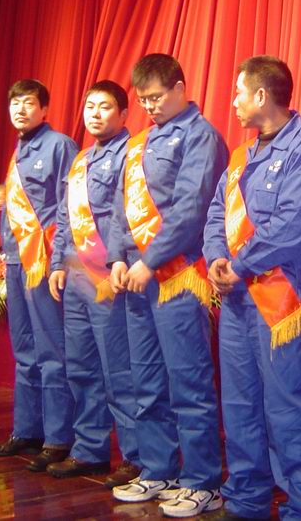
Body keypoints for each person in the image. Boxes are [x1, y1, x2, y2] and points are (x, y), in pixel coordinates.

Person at [203, 56, 301, 520]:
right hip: (236, 298)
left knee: (287, 405)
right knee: (239, 403)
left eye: (238, 92)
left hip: (278, 299)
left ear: (260, 95)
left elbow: (292, 226)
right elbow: (216, 212)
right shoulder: (242, 155)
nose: (232, 101)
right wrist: (217, 257)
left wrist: (238, 264)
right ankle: (246, 498)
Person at [108, 53, 228, 518]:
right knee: (147, 380)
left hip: (179, 277)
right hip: (138, 279)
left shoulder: (201, 136)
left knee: (189, 381)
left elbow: (191, 209)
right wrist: (119, 258)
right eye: (143, 100)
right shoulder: (140, 143)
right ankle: (159, 469)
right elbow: (122, 208)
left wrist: (150, 260)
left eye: (157, 97)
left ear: (180, 88)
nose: (150, 107)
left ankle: (203, 481)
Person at [46, 80, 141, 486]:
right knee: (81, 367)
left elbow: (128, 214)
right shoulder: (81, 160)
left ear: (123, 114)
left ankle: (136, 456)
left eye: (105, 107)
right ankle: (89, 450)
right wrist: (57, 263)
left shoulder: (133, 154)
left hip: (110, 278)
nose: (95, 114)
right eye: (90, 106)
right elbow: (65, 216)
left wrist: (118, 260)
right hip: (77, 278)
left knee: (119, 370)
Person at [0, 80, 78, 472]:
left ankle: (57, 437)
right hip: (14, 260)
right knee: (24, 350)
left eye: (28, 103)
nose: (20, 110)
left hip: (43, 261)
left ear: (44, 108)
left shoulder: (60, 146)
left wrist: (57, 259)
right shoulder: (18, 150)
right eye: (14, 103)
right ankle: (27, 429)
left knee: (51, 351)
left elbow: (69, 207)